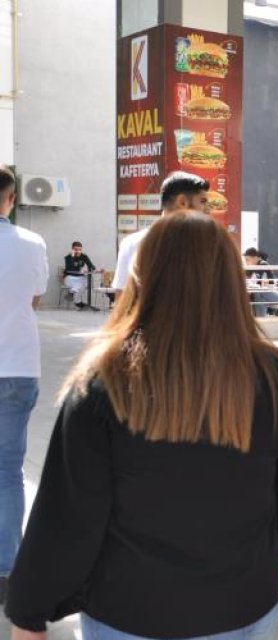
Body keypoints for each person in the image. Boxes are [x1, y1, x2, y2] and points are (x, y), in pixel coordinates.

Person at [5, 212, 278, 639]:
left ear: (145, 275)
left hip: (131, 609)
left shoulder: (107, 380)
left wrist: (31, 611)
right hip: (244, 603)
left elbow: (68, 513)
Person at [0, 166, 46, 604]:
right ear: (11, 199)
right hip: (16, 364)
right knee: (7, 472)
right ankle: (5, 569)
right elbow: (35, 296)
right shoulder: (32, 242)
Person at [111, 171, 208, 293]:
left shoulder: (131, 243)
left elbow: (121, 302)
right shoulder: (134, 244)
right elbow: (122, 298)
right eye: (202, 202)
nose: (207, 209)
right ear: (182, 202)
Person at [63, 241, 98, 310]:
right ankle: (77, 301)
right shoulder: (68, 257)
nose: (78, 251)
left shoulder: (84, 256)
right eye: (76, 249)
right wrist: (72, 256)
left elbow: (90, 265)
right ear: (72, 249)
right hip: (70, 277)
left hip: (80, 277)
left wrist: (95, 269)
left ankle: (72, 293)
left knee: (84, 283)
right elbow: (70, 267)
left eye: (79, 249)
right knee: (78, 286)